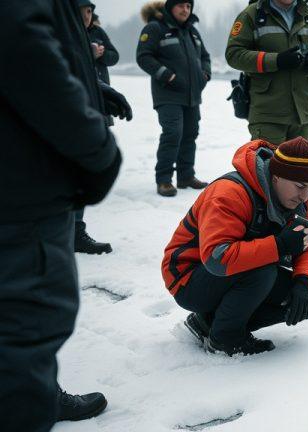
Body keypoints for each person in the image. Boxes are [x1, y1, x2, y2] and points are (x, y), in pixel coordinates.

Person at [0, 0, 128, 428]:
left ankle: (44, 392)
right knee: (24, 332)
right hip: (22, 191)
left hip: (22, 181)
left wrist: (94, 92)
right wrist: (98, 150)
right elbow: (22, 48)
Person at [162, 137, 308, 356]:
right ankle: (225, 338)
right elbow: (217, 258)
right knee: (262, 270)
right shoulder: (229, 192)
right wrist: (279, 245)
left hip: (236, 274)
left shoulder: (298, 204)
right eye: (300, 186)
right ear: (276, 175)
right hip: (189, 278)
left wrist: (303, 282)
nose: (304, 196)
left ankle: (208, 323)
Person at [225, 0, 308, 144]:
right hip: (267, 114)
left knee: (298, 166)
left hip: (303, 115)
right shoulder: (251, 15)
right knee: (267, 166)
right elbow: (234, 54)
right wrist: (276, 60)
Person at [136, 0, 211, 197]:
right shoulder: (155, 28)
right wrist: (166, 75)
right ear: (170, 7)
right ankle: (164, 180)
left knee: (190, 133)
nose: (185, 10)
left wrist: (205, 75)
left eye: (188, 6)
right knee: (173, 133)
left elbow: (205, 56)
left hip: (192, 95)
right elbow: (143, 56)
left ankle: (186, 176)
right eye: (181, 5)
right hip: (167, 94)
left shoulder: (192, 31)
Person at [75, 0, 120, 255]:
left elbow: (114, 57)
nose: (86, 16)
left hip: (97, 102)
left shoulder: (98, 33)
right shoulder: (61, 33)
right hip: (72, 108)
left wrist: (102, 54)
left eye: (89, 11)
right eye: (81, 12)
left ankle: (74, 230)